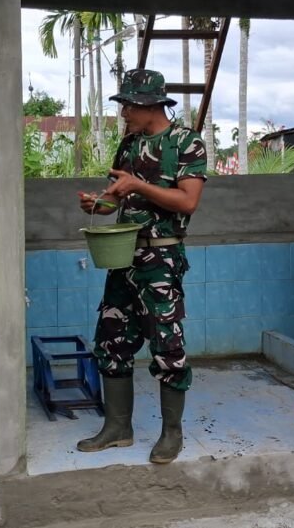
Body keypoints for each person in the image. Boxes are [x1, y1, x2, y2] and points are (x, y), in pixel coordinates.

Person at [75, 69, 207, 464]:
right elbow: (120, 199)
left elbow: (187, 202)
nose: (124, 114)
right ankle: (118, 427)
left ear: (150, 105)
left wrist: (138, 186)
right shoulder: (129, 144)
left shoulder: (187, 143)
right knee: (111, 340)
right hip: (122, 256)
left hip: (161, 260)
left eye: (128, 106)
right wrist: (99, 204)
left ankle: (171, 433)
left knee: (168, 345)